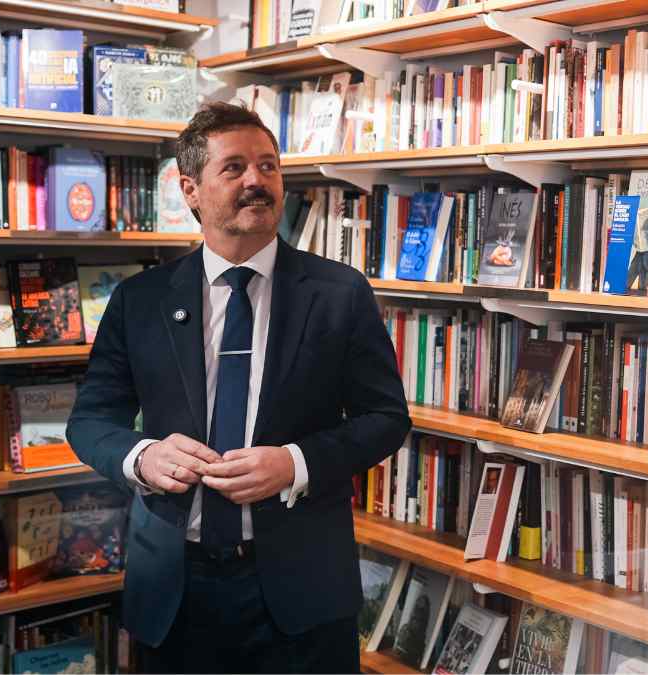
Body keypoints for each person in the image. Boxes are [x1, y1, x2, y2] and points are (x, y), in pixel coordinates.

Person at [67, 102, 411, 674]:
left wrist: (296, 462)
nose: (257, 180)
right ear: (191, 190)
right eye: (234, 168)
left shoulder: (339, 293)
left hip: (301, 589)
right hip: (175, 588)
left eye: (268, 166)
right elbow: (90, 421)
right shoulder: (142, 300)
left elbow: (385, 418)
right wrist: (143, 455)